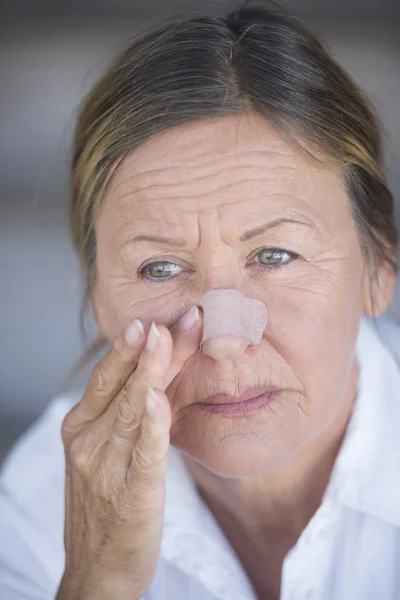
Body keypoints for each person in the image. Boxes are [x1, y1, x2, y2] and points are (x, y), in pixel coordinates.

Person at [1, 3, 400, 599]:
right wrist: (97, 581)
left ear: (380, 270)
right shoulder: (39, 501)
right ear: (100, 300)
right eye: (160, 268)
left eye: (275, 255)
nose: (221, 338)